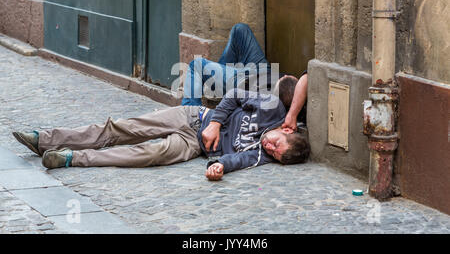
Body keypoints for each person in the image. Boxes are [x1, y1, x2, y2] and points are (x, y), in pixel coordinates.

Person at [12, 86, 310, 181]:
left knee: (151, 154)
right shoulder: (271, 108)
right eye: (277, 143)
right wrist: (216, 124)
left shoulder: (262, 155)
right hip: (196, 116)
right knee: (124, 128)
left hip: (194, 146)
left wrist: (219, 165)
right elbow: (232, 96)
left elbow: (239, 162)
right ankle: (46, 138)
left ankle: (70, 158)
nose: (270, 147)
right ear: (287, 130)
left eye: (275, 154)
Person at [181, 23, 308, 132]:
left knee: (196, 65)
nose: (285, 75)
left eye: (285, 78)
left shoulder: (269, 107)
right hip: (264, 70)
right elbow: (305, 78)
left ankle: (190, 118)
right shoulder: (302, 99)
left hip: (243, 81)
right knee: (240, 30)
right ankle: (216, 88)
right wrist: (292, 114)